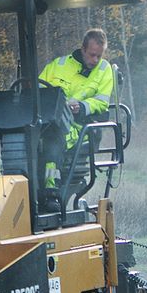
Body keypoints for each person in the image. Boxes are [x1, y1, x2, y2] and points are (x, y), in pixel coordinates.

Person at [38, 28, 113, 195]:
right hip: (49, 120)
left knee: (52, 139)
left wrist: (82, 106)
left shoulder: (104, 70)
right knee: (28, 138)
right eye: (92, 54)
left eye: (99, 56)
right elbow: (38, 90)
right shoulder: (59, 65)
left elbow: (102, 103)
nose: (95, 60)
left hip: (80, 127)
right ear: (83, 49)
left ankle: (51, 189)